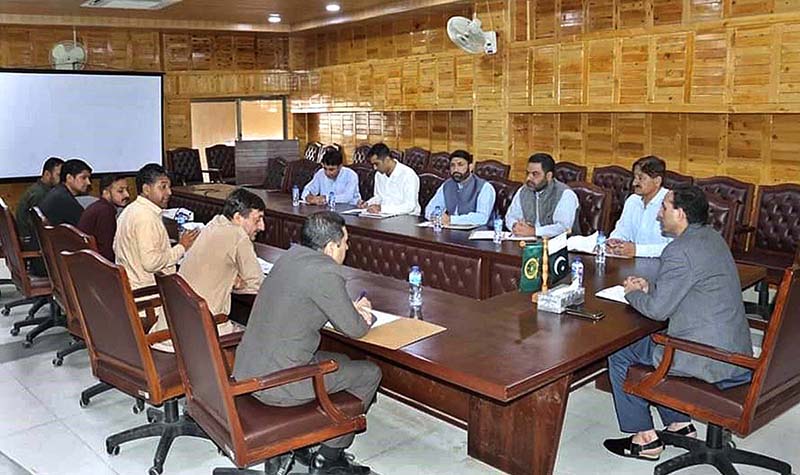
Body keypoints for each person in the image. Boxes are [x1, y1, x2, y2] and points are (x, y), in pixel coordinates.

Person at [603, 185, 753, 461]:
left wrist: (633, 293)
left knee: (622, 352)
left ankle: (645, 439)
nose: (660, 215)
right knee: (649, 344)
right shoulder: (711, 238)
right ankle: (679, 424)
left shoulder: (679, 250)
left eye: (664, 208)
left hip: (709, 356)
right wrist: (650, 286)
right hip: (735, 349)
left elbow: (658, 311)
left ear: (680, 214)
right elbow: (687, 284)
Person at [233, 211, 380, 475]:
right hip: (277, 384)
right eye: (345, 242)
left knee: (344, 362)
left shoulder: (289, 257)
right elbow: (355, 329)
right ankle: (329, 456)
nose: (347, 247)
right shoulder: (325, 272)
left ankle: (315, 435)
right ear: (332, 246)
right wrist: (365, 314)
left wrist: (345, 308)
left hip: (247, 370)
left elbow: (309, 302)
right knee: (370, 373)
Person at [114, 163, 199, 334]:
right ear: (146, 189)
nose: (169, 192)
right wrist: (182, 247)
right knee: (202, 305)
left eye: (168, 186)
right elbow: (151, 263)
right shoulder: (146, 218)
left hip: (130, 291)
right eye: (163, 187)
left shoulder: (130, 210)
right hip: (148, 298)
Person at [178, 188, 265, 318]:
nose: (262, 227)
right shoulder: (238, 235)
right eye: (257, 220)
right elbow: (258, 286)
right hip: (208, 326)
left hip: (178, 323)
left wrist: (232, 281)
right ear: (238, 217)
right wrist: (236, 283)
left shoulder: (213, 224)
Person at [606, 156, 672, 258]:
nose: (634, 183)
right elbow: (622, 231)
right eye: (634, 177)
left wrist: (637, 250)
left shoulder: (670, 204)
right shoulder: (633, 200)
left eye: (640, 178)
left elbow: (673, 248)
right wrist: (614, 242)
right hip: (629, 263)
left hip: (660, 266)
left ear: (657, 181)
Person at [505, 153, 579, 237]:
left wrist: (534, 232)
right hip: (527, 242)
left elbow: (563, 227)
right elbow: (510, 216)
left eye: (535, 174)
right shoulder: (523, 190)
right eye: (527, 173)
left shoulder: (565, 194)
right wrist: (515, 226)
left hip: (558, 246)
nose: (528, 178)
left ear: (548, 176)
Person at [15, 157, 63, 276]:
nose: (61, 179)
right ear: (47, 174)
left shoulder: (37, 190)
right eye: (58, 175)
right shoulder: (41, 195)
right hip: (34, 245)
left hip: (30, 241)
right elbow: (41, 227)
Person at [424, 150, 496, 227]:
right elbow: (430, 209)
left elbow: (482, 218)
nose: (456, 169)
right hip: (450, 231)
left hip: (477, 233)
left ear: (470, 167)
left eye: (460, 165)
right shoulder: (447, 185)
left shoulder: (485, 187)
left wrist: (451, 220)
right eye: (452, 165)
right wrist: (436, 217)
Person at [357, 143, 420, 216]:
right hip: (384, 216)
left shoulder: (408, 175)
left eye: (377, 164)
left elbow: (410, 206)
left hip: (407, 217)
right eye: (373, 164)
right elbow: (379, 197)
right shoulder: (378, 175)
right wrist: (368, 203)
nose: (375, 168)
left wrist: (382, 209)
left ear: (387, 159)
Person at [77, 175, 130, 262]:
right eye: (120, 191)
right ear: (106, 193)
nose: (127, 195)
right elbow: (107, 251)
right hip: (95, 267)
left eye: (127, 190)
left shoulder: (99, 206)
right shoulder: (105, 211)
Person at [38, 158, 92, 227]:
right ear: (69, 178)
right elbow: (85, 225)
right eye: (83, 178)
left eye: (89, 178)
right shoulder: (64, 199)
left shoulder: (58, 192)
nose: (88, 183)